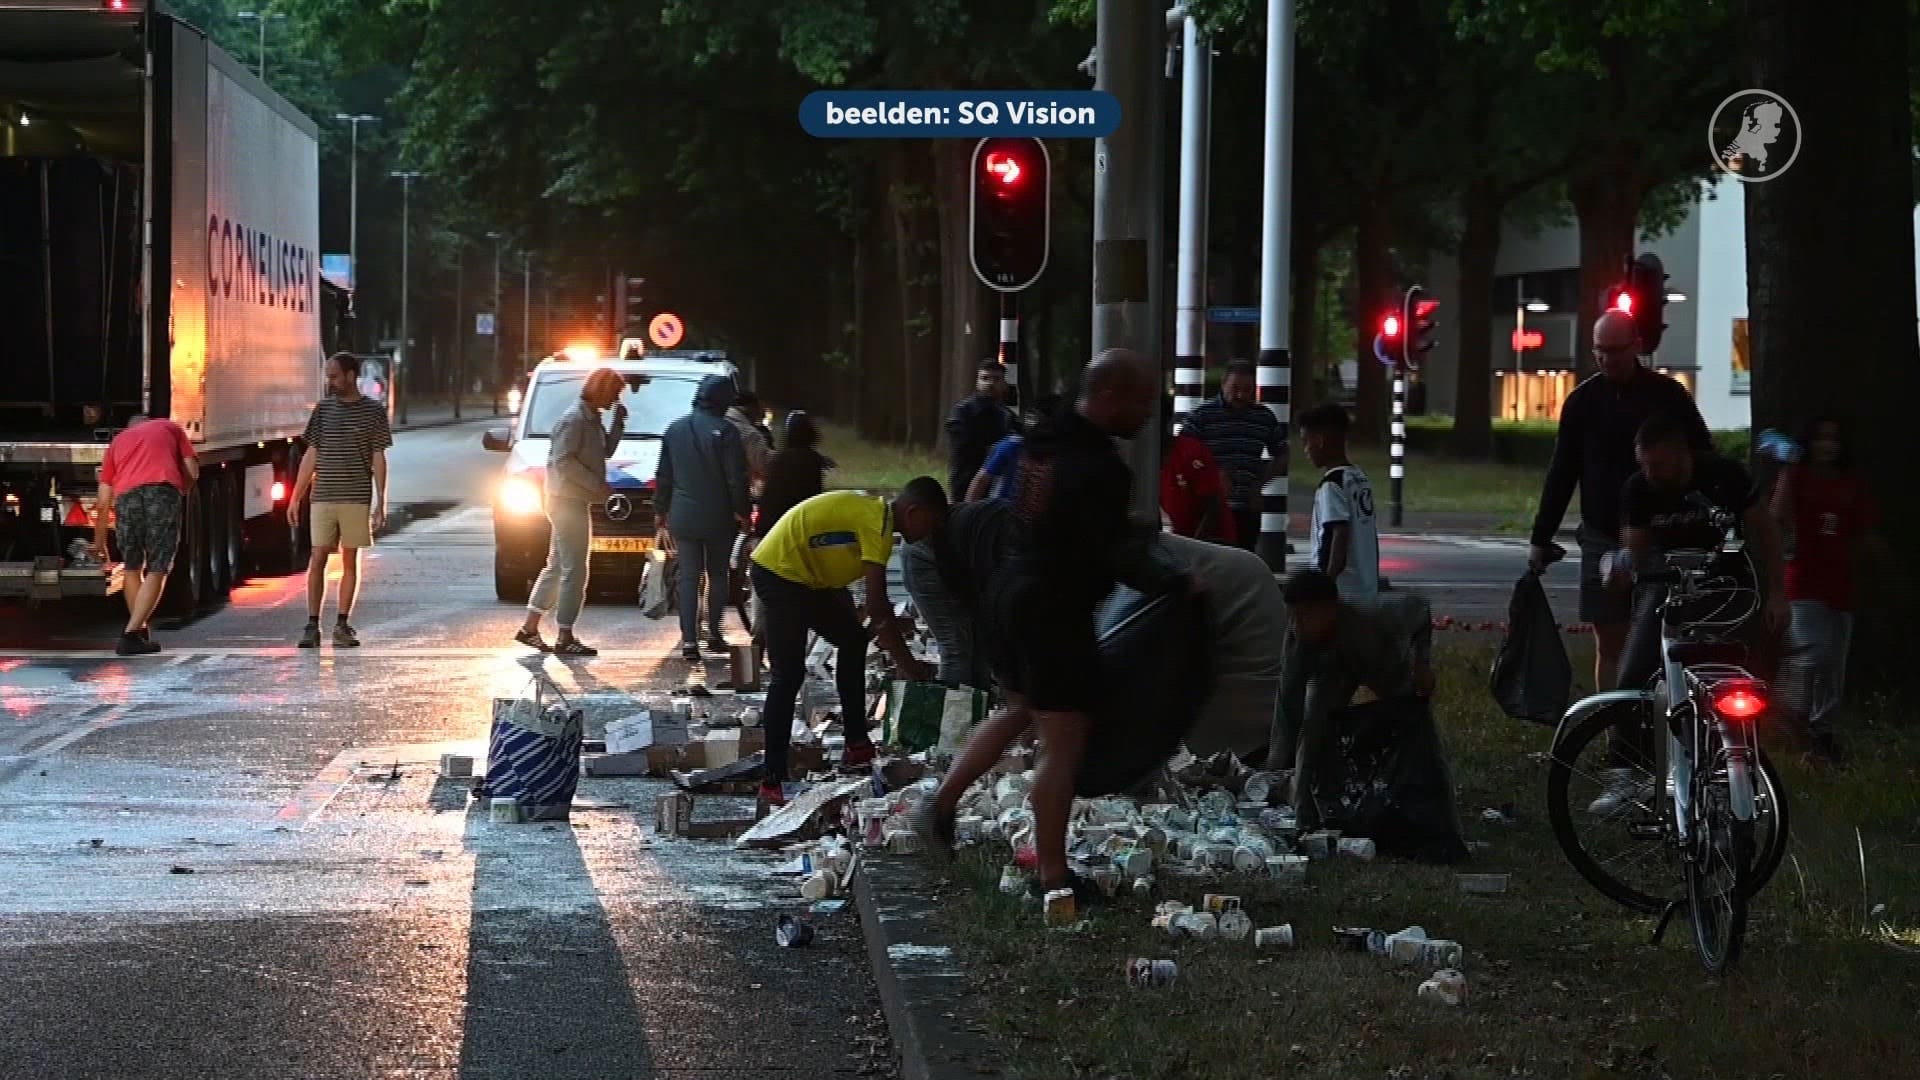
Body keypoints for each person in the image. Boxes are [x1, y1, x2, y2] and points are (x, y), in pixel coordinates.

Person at [927, 349, 1192, 901]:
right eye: (1142, 400)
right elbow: (1105, 550)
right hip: (1053, 609)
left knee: (1020, 709)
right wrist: (1176, 585)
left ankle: (943, 803)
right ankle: (1053, 876)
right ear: (1109, 395)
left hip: (1010, 595)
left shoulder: (1040, 445)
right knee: (1064, 742)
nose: (1149, 414)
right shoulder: (1098, 467)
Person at [1588, 413, 1789, 812]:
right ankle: (1628, 772)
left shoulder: (1724, 476)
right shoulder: (1638, 490)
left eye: (1658, 465)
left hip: (1730, 588)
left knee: (1735, 680)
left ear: (1683, 456)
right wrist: (1624, 570)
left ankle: (1731, 768)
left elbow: (1764, 531)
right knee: (1633, 675)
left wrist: (1776, 593)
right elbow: (1635, 550)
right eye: (1643, 465)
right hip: (1667, 590)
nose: (1651, 474)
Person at [1528, 311, 1710, 693]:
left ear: (1636, 346)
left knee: (1657, 633)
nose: (1608, 360)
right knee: (1608, 639)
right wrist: (1541, 536)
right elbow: (1562, 470)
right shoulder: (1582, 402)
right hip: (1602, 533)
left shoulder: (1667, 396)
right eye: (1600, 352)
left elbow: (1703, 454)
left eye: (1616, 350)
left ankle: (1653, 721)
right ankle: (1616, 733)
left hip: (1661, 533)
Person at [750, 484, 939, 805]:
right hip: (779, 573)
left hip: (807, 577)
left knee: (852, 640)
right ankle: (773, 780)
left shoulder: (876, 517)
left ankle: (857, 744)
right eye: (930, 524)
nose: (928, 535)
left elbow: (859, 598)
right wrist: (910, 669)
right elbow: (879, 611)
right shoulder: (876, 523)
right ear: (913, 513)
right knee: (789, 674)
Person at [1264, 570, 1436, 831]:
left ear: (1330, 609)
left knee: (1406, 721)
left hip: (1381, 661)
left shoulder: (1372, 614)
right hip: (1333, 669)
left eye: (1304, 617)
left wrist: (1422, 662)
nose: (1297, 626)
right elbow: (1288, 705)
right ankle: (1306, 810)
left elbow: (1421, 610)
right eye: (1293, 618)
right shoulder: (1297, 641)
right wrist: (1275, 765)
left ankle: (1412, 788)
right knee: (1313, 728)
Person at [1770, 417, 1882, 764]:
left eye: (1834, 440)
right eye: (1821, 439)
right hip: (1804, 579)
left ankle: (1823, 734)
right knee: (1811, 652)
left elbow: (1863, 530)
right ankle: (1790, 714)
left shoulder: (1851, 483)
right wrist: (1787, 471)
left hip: (1842, 581)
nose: (1828, 446)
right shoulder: (1797, 477)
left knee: (1834, 662)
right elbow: (1778, 515)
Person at [514, 367, 627, 657]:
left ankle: (530, 627)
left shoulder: (591, 419)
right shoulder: (574, 420)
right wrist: (598, 487)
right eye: (613, 393)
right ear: (601, 390)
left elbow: (605, 452)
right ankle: (565, 635)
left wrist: (618, 425)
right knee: (575, 569)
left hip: (571, 499)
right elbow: (563, 462)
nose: (615, 399)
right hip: (566, 500)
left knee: (557, 566)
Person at [290, 352, 392, 649]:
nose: (330, 382)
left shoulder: (373, 412)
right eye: (328, 376)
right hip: (323, 497)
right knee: (318, 557)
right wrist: (296, 496)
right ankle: (312, 625)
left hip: (356, 497)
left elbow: (378, 456)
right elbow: (311, 454)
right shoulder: (323, 410)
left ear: (351, 375)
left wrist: (381, 500)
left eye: (335, 376)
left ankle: (342, 624)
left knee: (350, 560)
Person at [656, 374, 753, 661]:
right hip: (718, 516)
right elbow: (737, 478)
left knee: (688, 577)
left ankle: (688, 640)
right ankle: (714, 634)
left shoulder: (674, 429)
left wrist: (660, 511)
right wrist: (743, 512)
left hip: (683, 516)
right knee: (718, 574)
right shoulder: (726, 431)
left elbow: (664, 477)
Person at [89, 415, 200, 656]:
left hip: (126, 499)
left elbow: (103, 500)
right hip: (161, 492)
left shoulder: (117, 442)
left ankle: (140, 631)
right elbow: (193, 469)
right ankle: (130, 633)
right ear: (147, 421)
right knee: (158, 567)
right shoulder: (170, 427)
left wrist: (99, 543)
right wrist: (183, 490)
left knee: (132, 566)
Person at [900, 496, 1021, 691]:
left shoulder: (1020, 530)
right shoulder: (1015, 539)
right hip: (924, 554)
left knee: (977, 645)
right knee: (956, 648)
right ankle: (956, 716)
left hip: (956, 557)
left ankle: (974, 710)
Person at [1182, 359, 1287, 552]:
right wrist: (1211, 475)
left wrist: (1260, 482)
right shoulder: (1201, 415)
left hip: (1247, 507)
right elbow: (1182, 454)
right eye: (1235, 388)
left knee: (1244, 559)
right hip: (1209, 507)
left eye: (1247, 390)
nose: (1240, 395)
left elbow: (1282, 454)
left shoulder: (1263, 417)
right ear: (1224, 384)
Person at [1298, 402, 1380, 601]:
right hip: (1366, 586)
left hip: (1342, 591)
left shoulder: (1331, 485)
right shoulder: (1359, 478)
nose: (1305, 450)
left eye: (1305, 441)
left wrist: (1326, 583)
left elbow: (1338, 534)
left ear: (1319, 440)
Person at [1160, 395, 1235, 543]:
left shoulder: (1190, 452)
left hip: (1212, 543)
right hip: (1179, 540)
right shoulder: (1143, 458)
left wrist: (1193, 547)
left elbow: (1213, 507)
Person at [963, 394, 1060, 503]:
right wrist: (969, 513)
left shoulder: (1064, 452)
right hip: (1002, 510)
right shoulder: (1012, 445)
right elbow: (981, 480)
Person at [945, 360, 1017, 501]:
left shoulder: (1007, 416)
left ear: (1004, 383)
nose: (990, 384)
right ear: (977, 381)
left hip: (996, 486)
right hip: (966, 482)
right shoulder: (962, 412)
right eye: (984, 378)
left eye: (996, 379)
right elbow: (963, 448)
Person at [758, 411, 834, 538]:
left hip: (771, 525)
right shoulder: (811, 460)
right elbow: (811, 499)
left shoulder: (781, 458)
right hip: (792, 525)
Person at [727, 389, 775, 494]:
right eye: (758, 408)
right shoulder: (747, 432)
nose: (759, 413)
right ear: (751, 407)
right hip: (737, 493)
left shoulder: (718, 423)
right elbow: (765, 464)